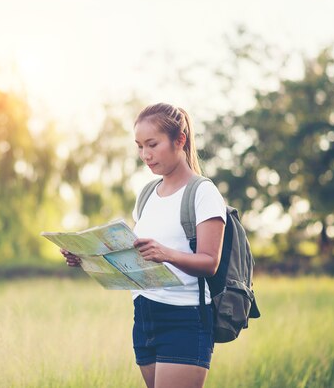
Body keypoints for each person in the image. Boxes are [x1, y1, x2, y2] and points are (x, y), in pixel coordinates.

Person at [60, 102, 226, 388]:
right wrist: (87, 257)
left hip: (184, 318)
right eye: (139, 146)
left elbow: (210, 262)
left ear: (180, 140)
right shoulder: (147, 194)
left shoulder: (203, 193)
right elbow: (135, 257)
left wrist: (167, 254)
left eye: (152, 144)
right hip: (145, 316)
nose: (145, 155)